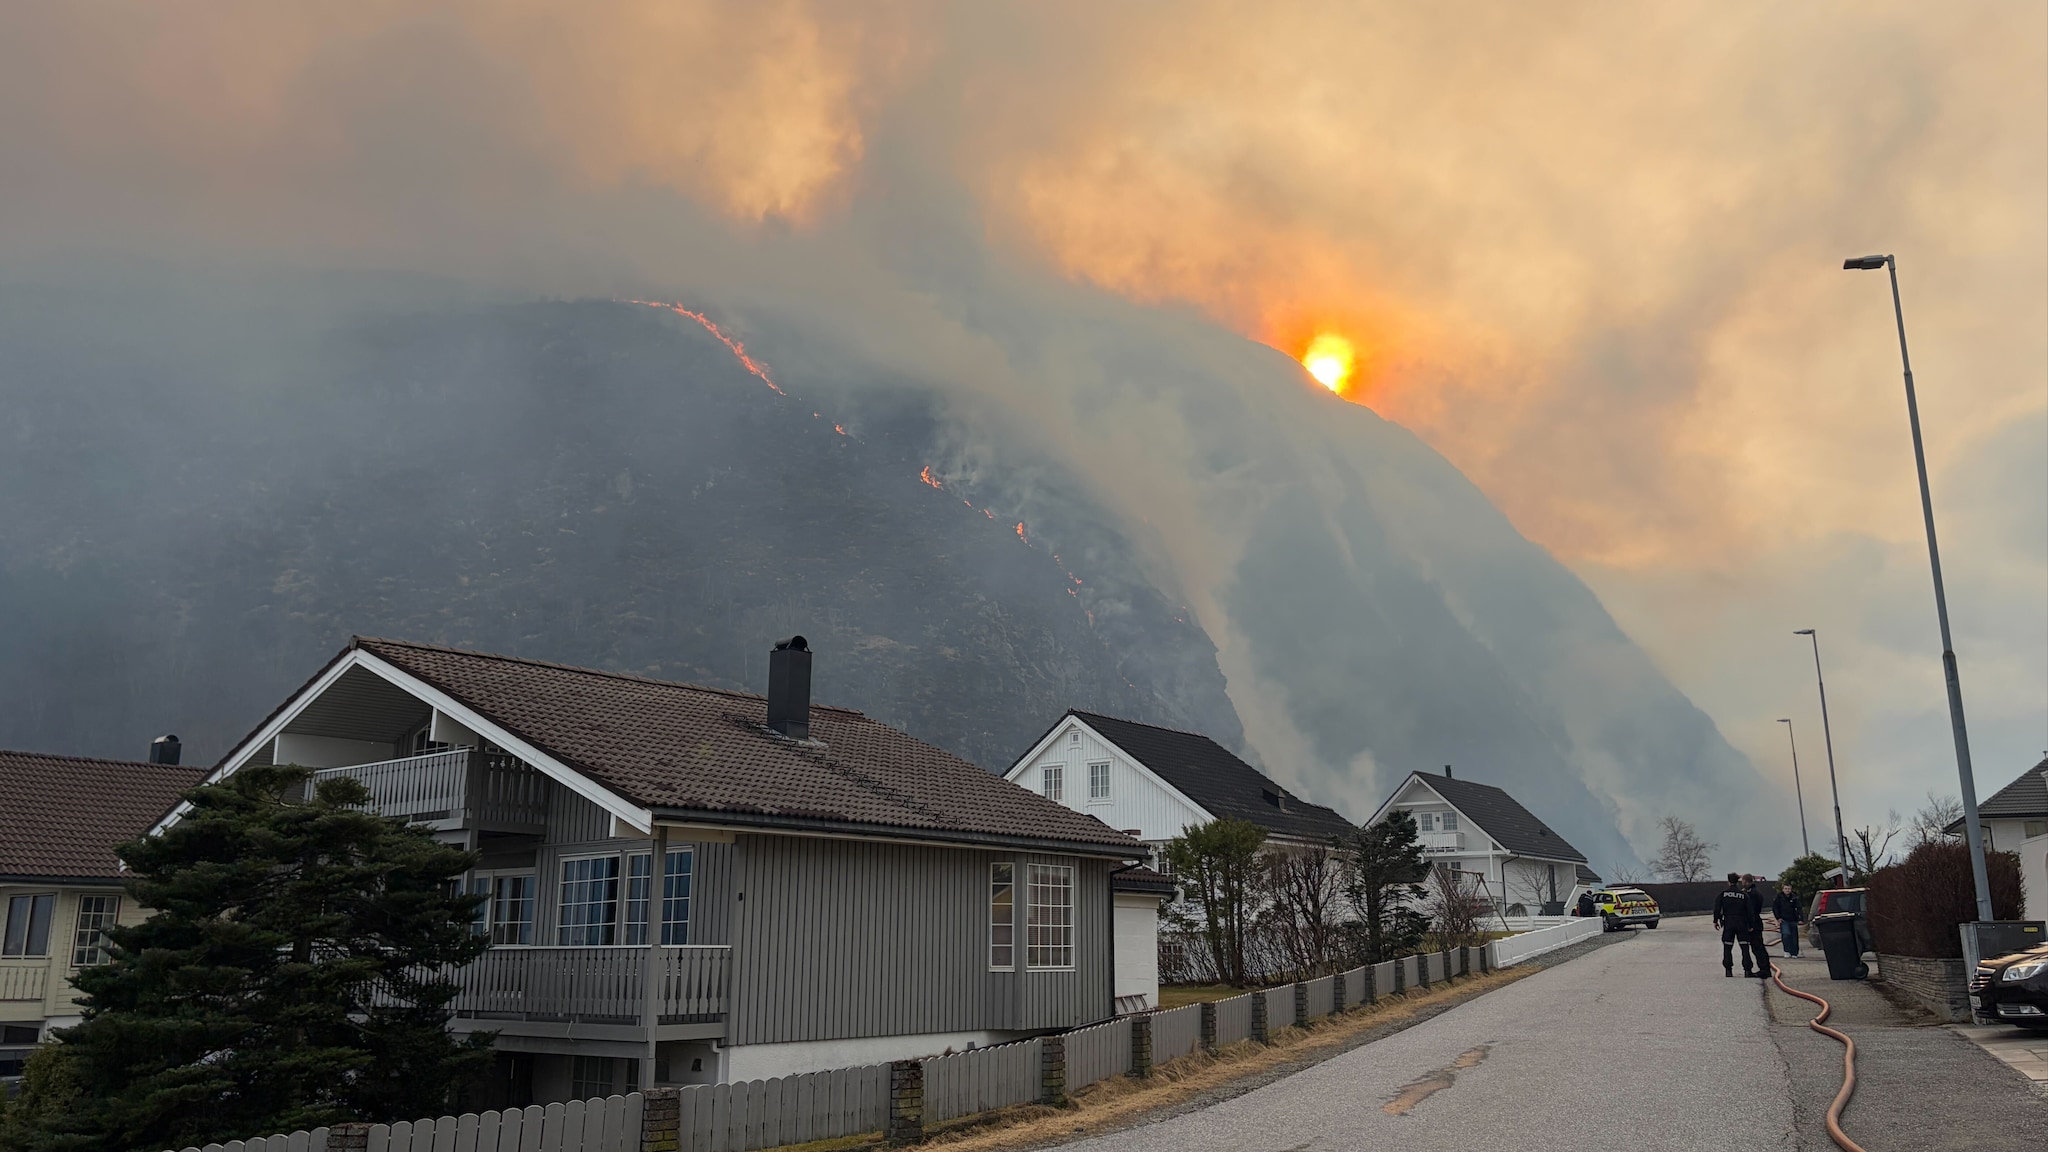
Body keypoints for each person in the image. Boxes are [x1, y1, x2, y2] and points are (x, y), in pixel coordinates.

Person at [1715, 872, 1770, 978]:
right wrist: (1750, 924)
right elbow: (1749, 911)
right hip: (1743, 924)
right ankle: (1748, 970)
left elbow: (1718, 908)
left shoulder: (1725, 894)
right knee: (1746, 947)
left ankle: (1729, 970)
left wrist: (1716, 920)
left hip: (1732, 923)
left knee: (1729, 947)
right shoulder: (1744, 895)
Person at [1772, 882, 1803, 957]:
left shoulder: (1794, 898)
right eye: (1786, 889)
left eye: (1789, 889)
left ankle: (1794, 953)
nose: (1787, 890)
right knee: (1786, 935)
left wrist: (1800, 918)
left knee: (1794, 937)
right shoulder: (1779, 898)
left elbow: (1799, 908)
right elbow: (1775, 908)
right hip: (1784, 920)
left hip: (1793, 920)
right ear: (1783, 889)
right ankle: (1787, 951)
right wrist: (1778, 918)